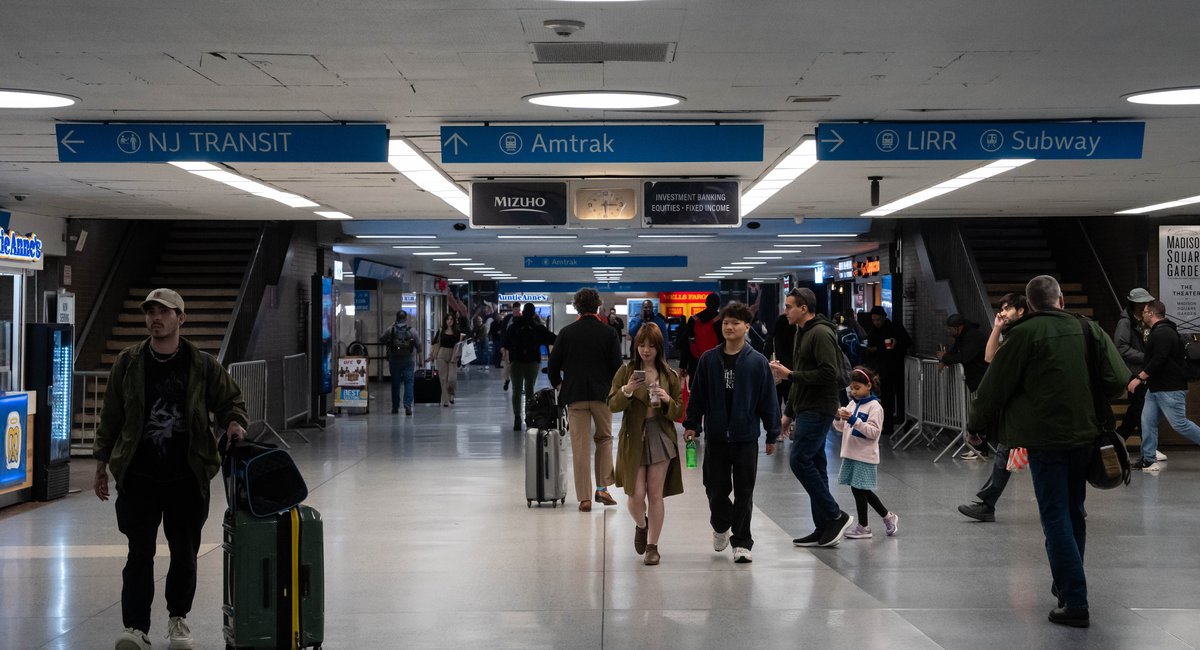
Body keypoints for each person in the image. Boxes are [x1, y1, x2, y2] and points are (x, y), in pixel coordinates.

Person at [966, 275, 1126, 628]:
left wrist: (975, 425)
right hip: (1085, 436)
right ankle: (1066, 584)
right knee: (1074, 512)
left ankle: (1075, 600)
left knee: (1055, 517)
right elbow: (1117, 382)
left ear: (1031, 304)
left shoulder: (1021, 335)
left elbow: (994, 388)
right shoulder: (1090, 330)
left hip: (1044, 441)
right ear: (1062, 300)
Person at [93, 288, 248, 650]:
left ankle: (178, 619)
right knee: (139, 552)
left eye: (164, 312)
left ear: (181, 317)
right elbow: (111, 416)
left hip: (186, 477)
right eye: (150, 312)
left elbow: (230, 402)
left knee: (183, 553)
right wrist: (101, 464)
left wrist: (234, 424)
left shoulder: (202, 365)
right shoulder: (128, 363)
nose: (155, 319)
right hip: (139, 476)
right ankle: (135, 628)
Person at [684, 302, 779, 564]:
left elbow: (768, 400)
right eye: (726, 322)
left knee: (745, 491)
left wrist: (772, 433)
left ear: (746, 327)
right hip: (716, 437)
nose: (729, 327)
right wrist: (691, 423)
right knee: (714, 488)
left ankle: (742, 541)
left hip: (746, 438)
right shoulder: (709, 359)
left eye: (735, 323)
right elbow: (698, 395)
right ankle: (720, 524)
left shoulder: (757, 362)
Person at [771, 288, 855, 548]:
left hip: (819, 408)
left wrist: (790, 375)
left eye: (789, 306)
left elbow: (828, 374)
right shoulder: (802, 333)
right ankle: (823, 527)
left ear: (804, 308)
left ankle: (835, 515)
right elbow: (799, 374)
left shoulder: (820, 333)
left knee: (799, 460)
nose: (785, 311)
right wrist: (788, 413)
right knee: (817, 466)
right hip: (806, 406)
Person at [609, 323, 685, 565]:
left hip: (660, 437)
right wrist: (628, 390)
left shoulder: (669, 375)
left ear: (659, 347)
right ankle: (642, 525)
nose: (646, 350)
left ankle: (653, 546)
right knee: (635, 494)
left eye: (651, 345)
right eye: (641, 345)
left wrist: (667, 399)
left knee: (655, 495)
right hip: (634, 437)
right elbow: (612, 404)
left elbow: (678, 412)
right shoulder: (626, 371)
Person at [548, 288, 622, 512]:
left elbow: (553, 365)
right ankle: (602, 487)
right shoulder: (609, 333)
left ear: (577, 307)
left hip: (575, 396)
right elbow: (617, 368)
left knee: (580, 446)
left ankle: (584, 499)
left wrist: (559, 384)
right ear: (598, 306)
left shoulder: (567, 332)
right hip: (602, 395)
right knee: (605, 439)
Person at [958, 293, 1027, 522]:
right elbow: (990, 357)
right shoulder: (1011, 334)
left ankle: (987, 504)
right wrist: (997, 328)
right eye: (1002, 309)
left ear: (1021, 310)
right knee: (1004, 456)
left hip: (1028, 409)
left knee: (1008, 456)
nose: (1003, 313)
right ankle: (987, 504)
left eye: (1007, 309)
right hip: (1019, 411)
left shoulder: (1024, 333)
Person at [1131, 300, 1200, 471]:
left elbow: (1158, 359)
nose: (1143, 314)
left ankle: (1148, 457)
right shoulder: (1162, 331)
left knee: (1180, 424)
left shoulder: (1163, 333)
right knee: (1147, 421)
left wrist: (1139, 378)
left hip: (1170, 388)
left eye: (1145, 311)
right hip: (1156, 387)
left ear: (1152, 314)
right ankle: (1148, 459)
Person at [835, 366, 899, 540]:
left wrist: (855, 420)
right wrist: (838, 417)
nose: (854, 392)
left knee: (861, 489)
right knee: (859, 490)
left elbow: (873, 432)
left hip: (864, 455)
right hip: (851, 453)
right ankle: (885, 518)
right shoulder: (852, 403)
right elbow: (841, 428)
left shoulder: (875, 407)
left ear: (868, 386)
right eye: (852, 388)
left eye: (857, 388)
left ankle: (865, 526)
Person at [1114, 289, 1159, 452]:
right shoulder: (1125, 323)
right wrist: (1145, 356)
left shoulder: (1146, 319)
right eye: (1141, 303)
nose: (1144, 305)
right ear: (1134, 304)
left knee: (1139, 410)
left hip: (1145, 370)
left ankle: (1119, 441)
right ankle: (1144, 446)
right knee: (1139, 409)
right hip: (1135, 372)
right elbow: (1121, 348)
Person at [504, 303, 557, 431]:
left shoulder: (514, 326)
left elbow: (506, 343)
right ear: (533, 313)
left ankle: (517, 417)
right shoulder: (537, 327)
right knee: (529, 389)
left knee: (516, 389)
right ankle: (529, 416)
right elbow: (553, 339)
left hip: (516, 361)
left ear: (522, 312)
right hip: (533, 361)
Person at [864, 306, 912, 435]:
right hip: (883, 370)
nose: (876, 323)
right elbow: (870, 350)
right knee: (886, 399)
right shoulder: (873, 332)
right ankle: (888, 426)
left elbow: (908, 342)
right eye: (874, 320)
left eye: (878, 320)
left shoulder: (895, 327)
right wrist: (872, 351)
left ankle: (905, 424)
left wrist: (897, 343)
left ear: (884, 317)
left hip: (897, 368)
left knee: (902, 397)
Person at [379, 309, 420, 415]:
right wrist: (420, 361)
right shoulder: (412, 330)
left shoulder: (391, 329)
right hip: (408, 361)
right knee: (409, 383)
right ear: (406, 318)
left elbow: (381, 339)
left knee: (395, 384)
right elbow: (419, 346)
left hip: (394, 361)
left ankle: (395, 407)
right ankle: (407, 407)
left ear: (396, 318)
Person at [676, 293, 722, 381]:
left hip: (696, 362)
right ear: (718, 305)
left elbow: (686, 343)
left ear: (706, 303)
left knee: (696, 391)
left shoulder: (694, 319)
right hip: (717, 363)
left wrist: (683, 365)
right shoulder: (722, 321)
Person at [938, 313, 988, 392]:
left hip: (982, 377)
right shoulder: (962, 335)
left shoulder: (971, 336)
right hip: (978, 377)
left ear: (958, 328)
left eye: (950, 329)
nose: (948, 331)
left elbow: (964, 357)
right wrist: (943, 360)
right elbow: (954, 351)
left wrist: (944, 357)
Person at [429, 313, 465, 407]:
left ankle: (451, 394)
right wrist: (432, 354)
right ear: (445, 321)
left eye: (451, 319)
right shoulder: (441, 330)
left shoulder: (457, 332)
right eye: (448, 319)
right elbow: (434, 342)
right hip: (442, 354)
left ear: (454, 321)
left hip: (453, 355)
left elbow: (460, 344)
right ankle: (445, 400)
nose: (449, 321)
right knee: (443, 378)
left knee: (452, 379)